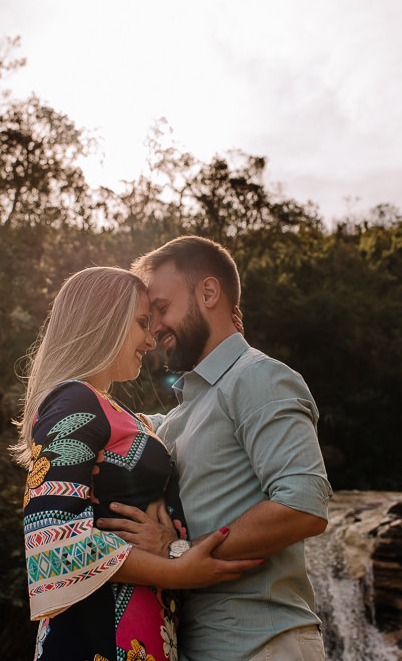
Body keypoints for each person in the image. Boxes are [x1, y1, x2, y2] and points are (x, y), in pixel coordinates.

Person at [97, 236, 333, 661]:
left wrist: (176, 553)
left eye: (162, 309)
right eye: (148, 319)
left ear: (208, 292)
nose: (155, 328)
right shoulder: (184, 412)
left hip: (263, 645)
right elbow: (117, 428)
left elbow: (304, 505)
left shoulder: (259, 377)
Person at [12, 266, 262, 661]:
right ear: (104, 320)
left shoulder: (117, 413)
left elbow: (189, 426)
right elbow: (52, 544)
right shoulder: (74, 401)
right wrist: (180, 571)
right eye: (143, 323)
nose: (150, 339)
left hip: (139, 630)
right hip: (99, 635)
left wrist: (223, 344)